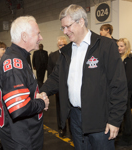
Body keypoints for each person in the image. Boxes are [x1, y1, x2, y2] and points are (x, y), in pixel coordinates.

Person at [40, 4, 127, 150]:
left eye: (67, 26)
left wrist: (115, 120)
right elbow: (56, 77)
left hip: (101, 120)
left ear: (81, 21)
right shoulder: (66, 52)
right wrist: (43, 92)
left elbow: (118, 85)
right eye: (63, 28)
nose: (65, 31)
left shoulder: (106, 46)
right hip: (75, 118)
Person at [0, 16, 49, 150]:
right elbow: (19, 107)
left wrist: (34, 97)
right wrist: (42, 103)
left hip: (22, 135)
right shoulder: (14, 63)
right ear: (24, 37)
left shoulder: (17, 57)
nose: (41, 37)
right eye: (38, 33)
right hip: (22, 138)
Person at [47, 36, 69, 137]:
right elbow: (50, 72)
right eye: (61, 45)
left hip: (71, 87)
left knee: (72, 108)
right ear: (57, 46)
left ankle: (73, 128)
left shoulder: (72, 53)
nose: (63, 46)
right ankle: (61, 128)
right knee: (60, 108)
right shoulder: (52, 56)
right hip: (59, 87)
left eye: (64, 44)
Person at [117, 38, 132, 145]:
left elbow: (128, 78)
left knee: (127, 115)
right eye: (118, 46)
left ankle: (128, 137)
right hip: (120, 92)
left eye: (121, 46)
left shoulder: (129, 59)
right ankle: (121, 133)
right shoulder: (119, 58)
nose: (119, 48)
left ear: (126, 46)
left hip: (127, 92)